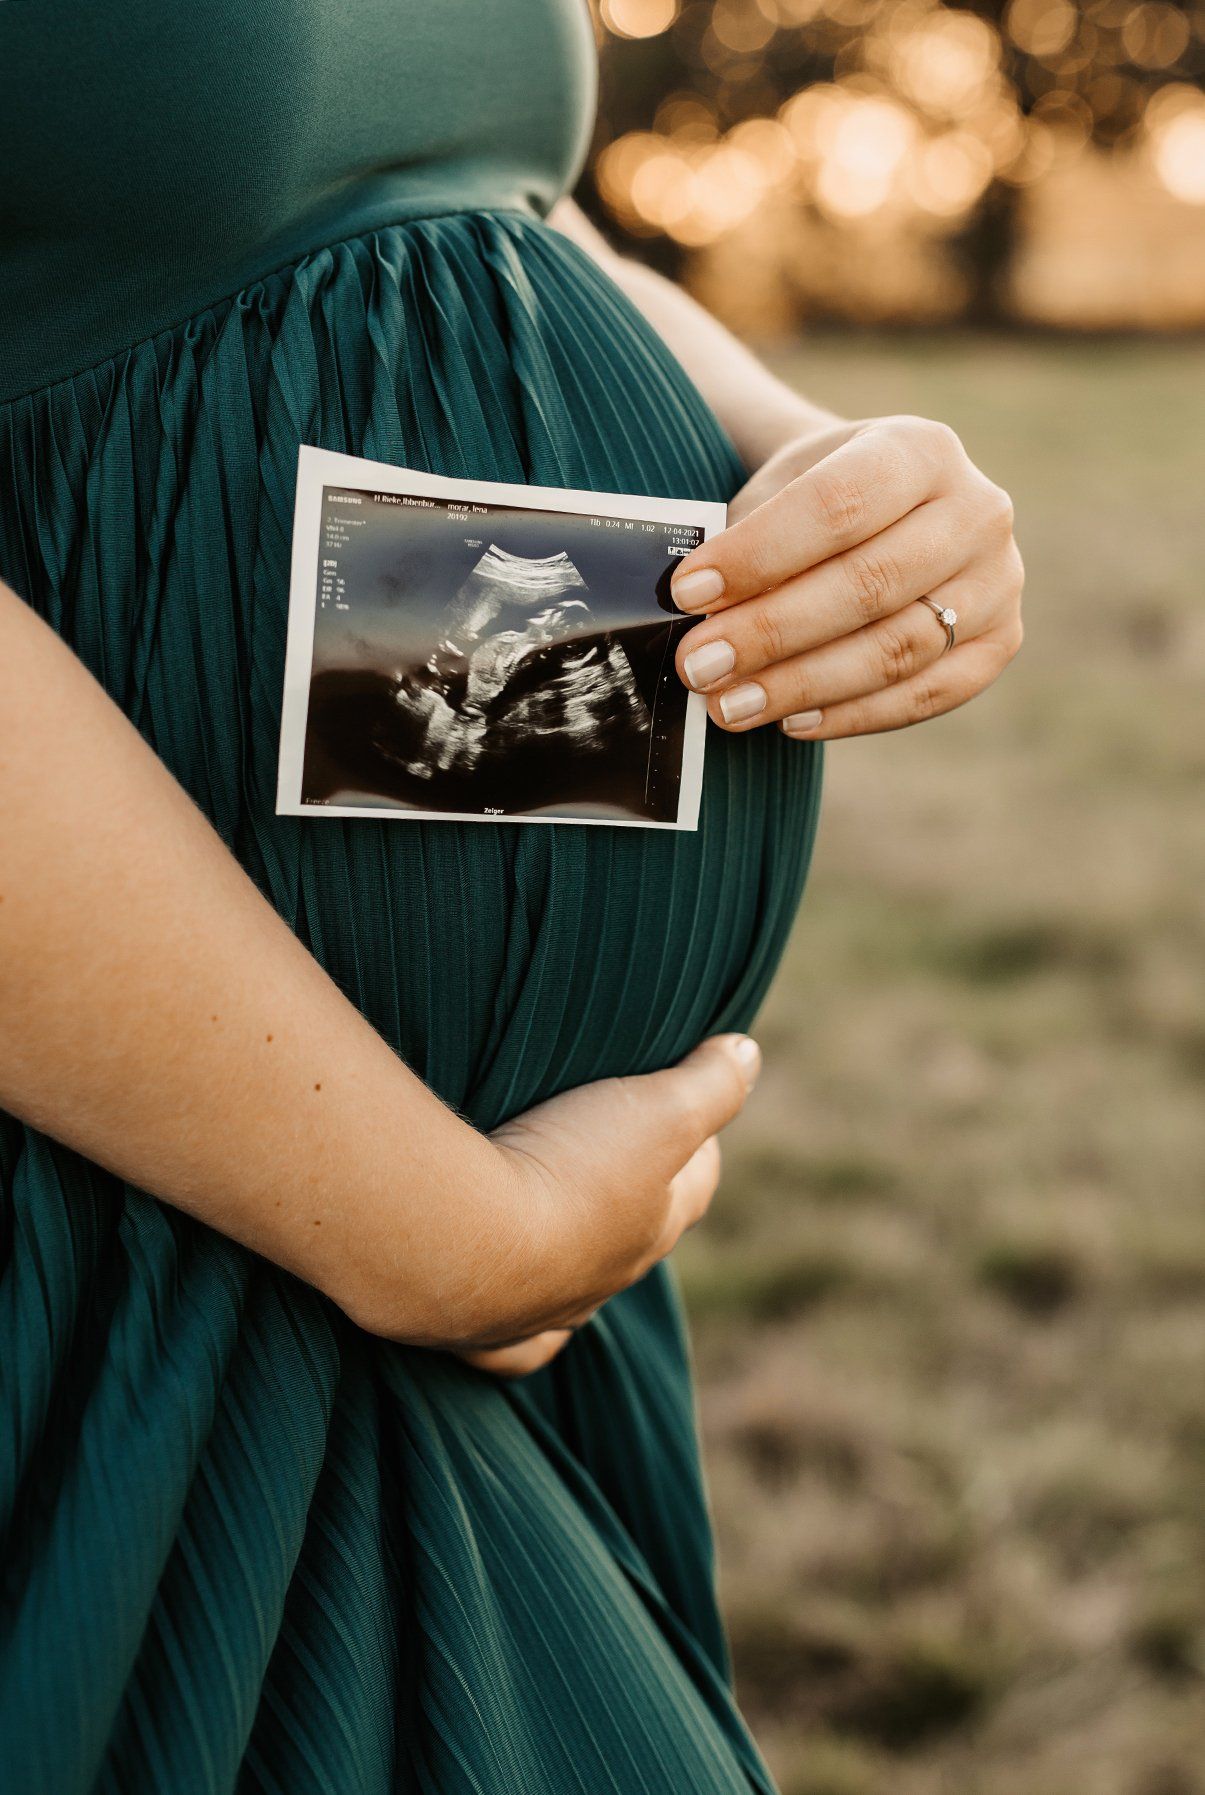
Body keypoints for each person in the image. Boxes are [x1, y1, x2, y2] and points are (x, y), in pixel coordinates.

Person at [0, 3, 1023, 1791]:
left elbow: (513, 210)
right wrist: (426, 1229)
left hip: (462, 1234)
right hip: (133, 1234)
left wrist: (825, 473)